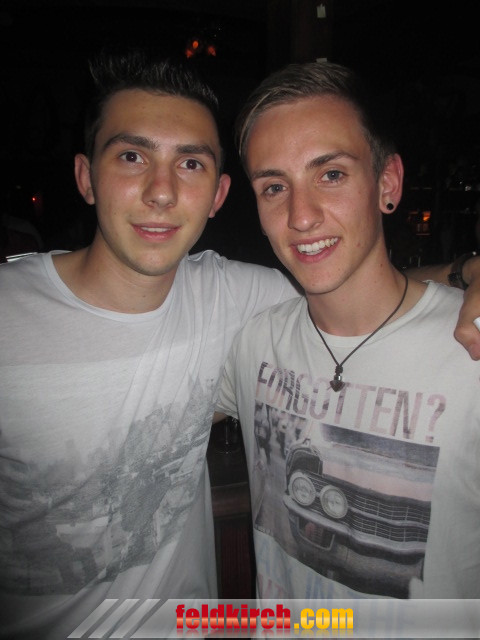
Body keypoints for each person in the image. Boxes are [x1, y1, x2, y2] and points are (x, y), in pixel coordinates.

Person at [1, 48, 479, 639]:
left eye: (331, 174)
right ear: (84, 177)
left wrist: (464, 271)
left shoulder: (245, 305)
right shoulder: (253, 326)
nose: (160, 191)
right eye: (131, 156)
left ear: (219, 194)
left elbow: (363, 287)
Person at [216, 61, 480, 603]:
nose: (301, 216)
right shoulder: (251, 343)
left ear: (388, 183)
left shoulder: (469, 346)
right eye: (274, 186)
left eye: (331, 174)